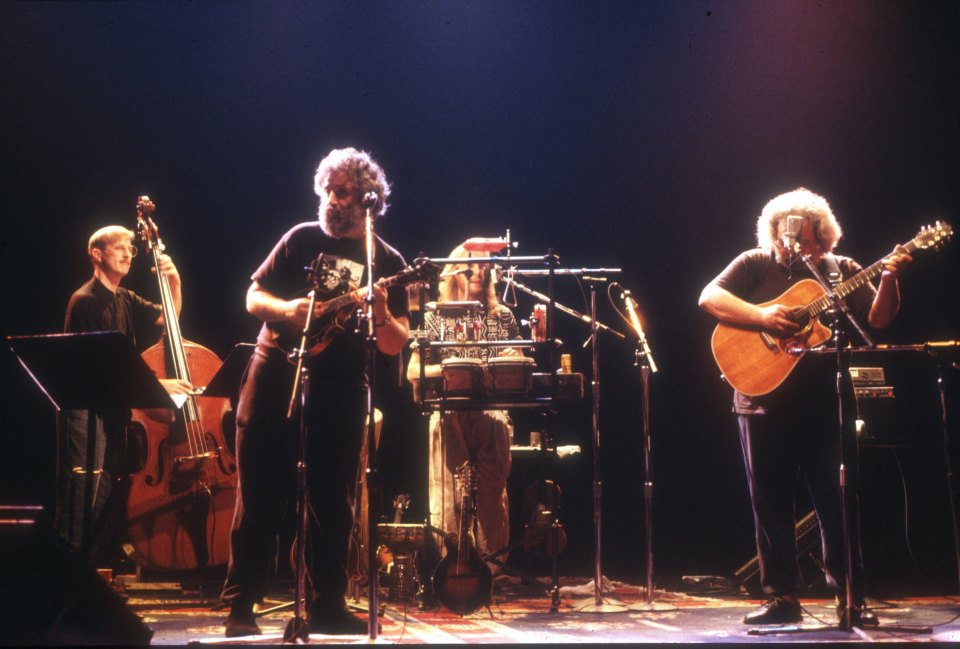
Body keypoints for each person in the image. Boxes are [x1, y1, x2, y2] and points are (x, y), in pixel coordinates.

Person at [698, 187, 912, 627]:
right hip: (760, 399)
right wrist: (763, 316)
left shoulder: (842, 270)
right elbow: (708, 297)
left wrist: (889, 276)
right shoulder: (754, 263)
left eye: (802, 235)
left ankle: (850, 596)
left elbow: (878, 319)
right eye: (783, 232)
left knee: (838, 499)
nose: (791, 242)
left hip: (823, 401)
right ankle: (782, 598)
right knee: (770, 503)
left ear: (822, 237)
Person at [221, 148, 410, 637]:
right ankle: (240, 606)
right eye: (326, 189)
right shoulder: (300, 239)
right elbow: (253, 295)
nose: (330, 198)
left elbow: (395, 343)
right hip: (276, 374)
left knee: (334, 502)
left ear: (368, 198)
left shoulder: (386, 261)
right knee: (259, 494)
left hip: (343, 388)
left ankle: (328, 604)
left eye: (341, 191)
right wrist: (287, 310)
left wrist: (384, 313)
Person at [58, 225, 192, 565]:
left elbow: (168, 321)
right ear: (97, 254)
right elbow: (104, 367)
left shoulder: (125, 298)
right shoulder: (86, 300)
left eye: (131, 248)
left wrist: (174, 283)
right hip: (86, 412)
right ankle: (71, 574)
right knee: (84, 496)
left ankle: (93, 574)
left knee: (107, 493)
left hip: (112, 409)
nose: (128, 254)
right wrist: (158, 387)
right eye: (119, 248)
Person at [406, 242, 519, 584]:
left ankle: (491, 572)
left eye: (487, 265)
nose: (482, 270)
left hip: (490, 413)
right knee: (447, 493)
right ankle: (454, 569)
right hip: (448, 411)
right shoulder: (436, 316)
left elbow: (517, 363)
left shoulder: (501, 317)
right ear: (456, 270)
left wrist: (501, 367)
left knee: (491, 497)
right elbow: (413, 370)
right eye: (474, 264)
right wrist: (454, 370)